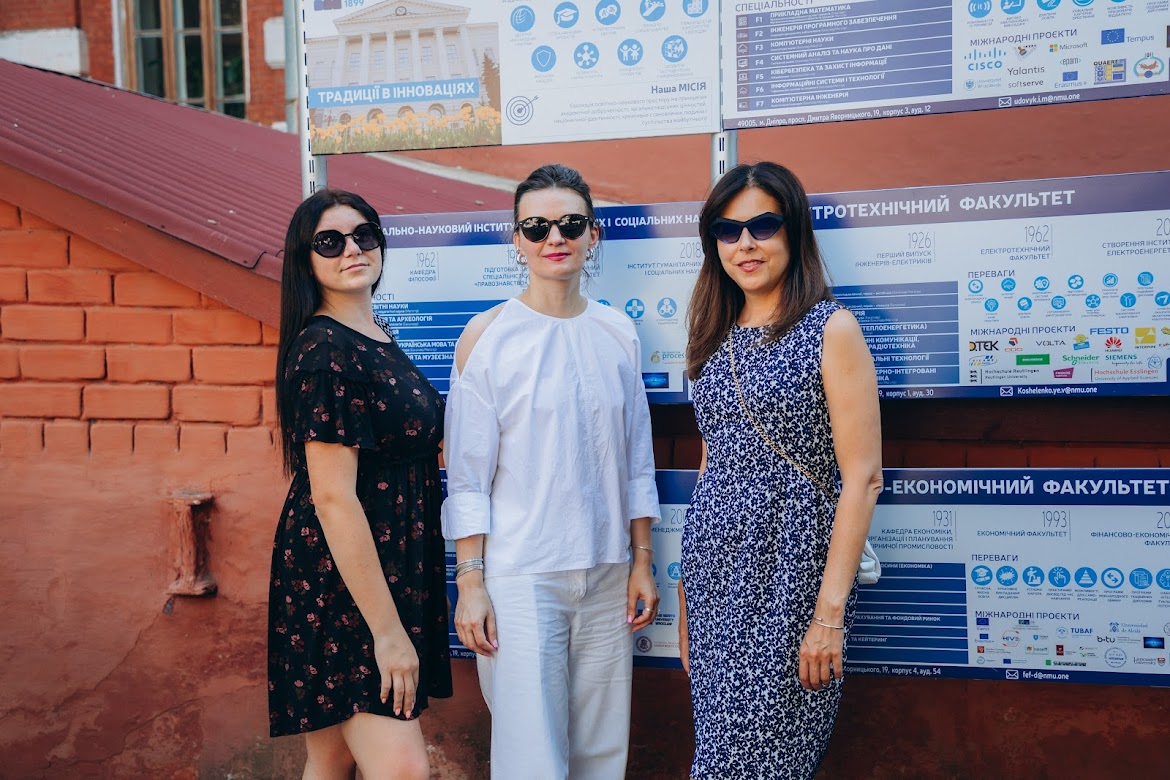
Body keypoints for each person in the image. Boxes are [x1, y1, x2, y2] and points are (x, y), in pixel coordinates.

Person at [442, 163, 661, 779]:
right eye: (537, 228)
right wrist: (470, 582)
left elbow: (636, 459)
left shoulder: (618, 332)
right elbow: (467, 475)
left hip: (609, 572)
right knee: (530, 758)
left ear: (593, 234)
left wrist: (642, 561)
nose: (554, 238)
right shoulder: (488, 335)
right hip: (522, 576)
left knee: (601, 754)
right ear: (517, 240)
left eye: (570, 224)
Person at [677, 162, 883, 779]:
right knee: (720, 753)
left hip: (792, 578)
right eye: (727, 230)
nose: (744, 244)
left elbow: (863, 478)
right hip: (715, 580)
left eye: (762, 226)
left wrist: (828, 615)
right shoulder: (712, 335)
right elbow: (713, 465)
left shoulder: (830, 328)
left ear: (793, 230)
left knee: (761, 758)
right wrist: (688, 596)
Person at [268, 189, 452, 779]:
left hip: (383, 566)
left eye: (363, 235)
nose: (352, 249)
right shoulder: (326, 349)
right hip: (345, 583)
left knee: (330, 761)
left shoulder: (374, 334)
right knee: (402, 769)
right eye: (330, 241)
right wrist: (387, 631)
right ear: (305, 259)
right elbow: (332, 497)